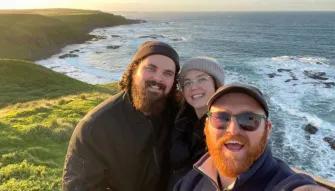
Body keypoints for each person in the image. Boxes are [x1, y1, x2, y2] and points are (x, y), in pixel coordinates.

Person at [62, 41, 180, 191]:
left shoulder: (178, 116)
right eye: (151, 68)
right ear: (133, 70)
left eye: (168, 73)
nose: (158, 78)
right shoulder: (96, 127)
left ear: (174, 81)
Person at [174, 83, 321, 191]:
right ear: (206, 127)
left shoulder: (284, 183)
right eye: (221, 118)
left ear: (267, 129)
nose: (233, 130)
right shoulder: (191, 181)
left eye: (249, 119)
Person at [168, 57, 225, 189]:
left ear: (216, 85)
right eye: (187, 83)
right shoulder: (181, 119)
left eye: (202, 79)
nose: (193, 87)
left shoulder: (226, 129)